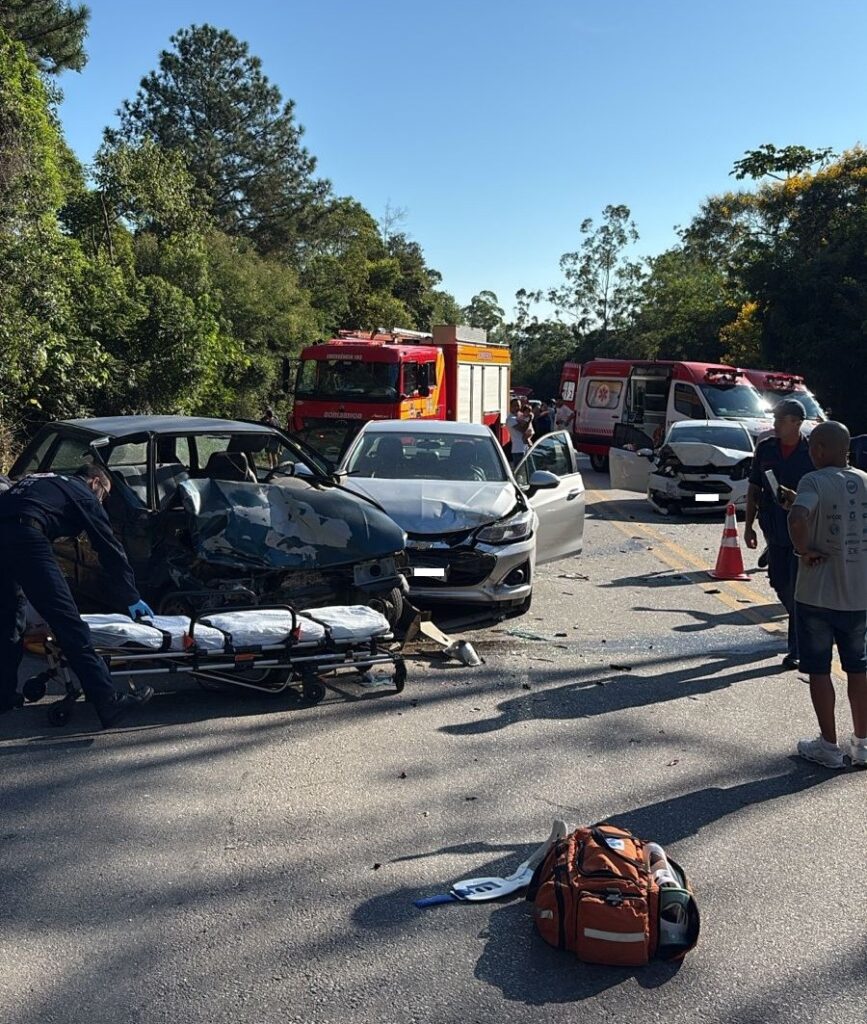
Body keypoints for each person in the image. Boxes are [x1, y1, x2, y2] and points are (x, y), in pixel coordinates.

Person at [0, 464, 154, 729]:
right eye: (104, 495)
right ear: (95, 482)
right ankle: (108, 701)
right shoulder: (82, 493)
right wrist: (130, 596)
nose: (102, 502)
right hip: (26, 537)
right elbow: (109, 548)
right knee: (68, 623)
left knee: (8, 619)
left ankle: (3, 696)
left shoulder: (43, 480)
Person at [787, 421, 867, 768]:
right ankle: (862, 743)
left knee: (819, 669)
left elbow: (798, 517)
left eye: (811, 447)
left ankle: (829, 746)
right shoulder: (865, 480)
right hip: (859, 595)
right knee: (858, 667)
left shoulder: (813, 480)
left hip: (817, 596)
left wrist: (803, 549)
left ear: (820, 449)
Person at [744, 398, 813, 669]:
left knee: (796, 588)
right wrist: (748, 526)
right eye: (774, 419)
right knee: (778, 581)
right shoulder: (766, 448)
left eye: (780, 420)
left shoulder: (812, 451)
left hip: (802, 531)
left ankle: (796, 648)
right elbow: (754, 487)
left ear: (797, 423)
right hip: (773, 528)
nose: (775, 424)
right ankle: (801, 622)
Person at [505, 398, 533, 467]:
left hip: (526, 447)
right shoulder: (511, 419)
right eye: (514, 406)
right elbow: (523, 430)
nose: (517, 407)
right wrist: (529, 420)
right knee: (520, 471)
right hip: (518, 450)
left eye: (518, 405)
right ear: (510, 407)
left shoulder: (521, 417)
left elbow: (530, 430)